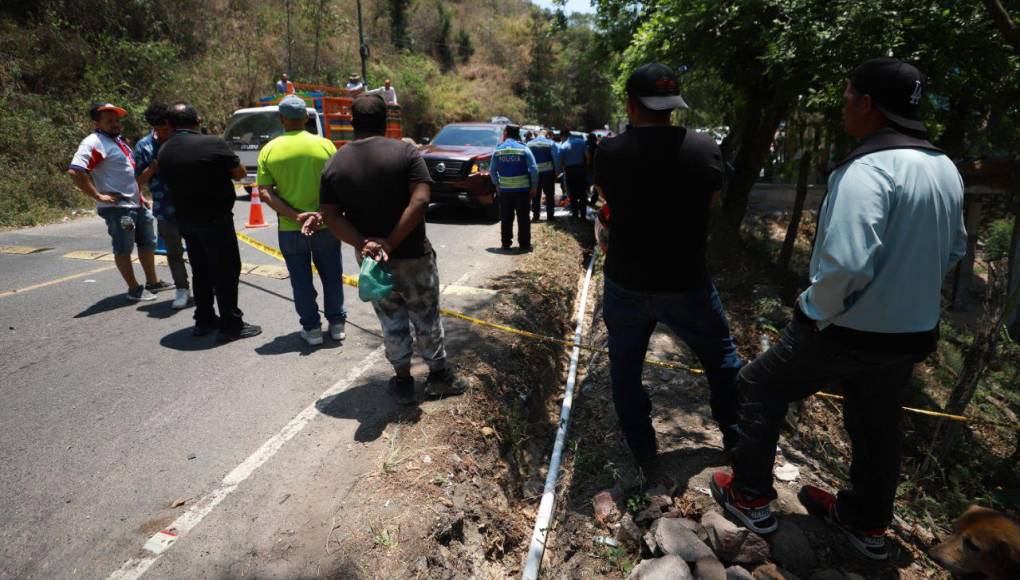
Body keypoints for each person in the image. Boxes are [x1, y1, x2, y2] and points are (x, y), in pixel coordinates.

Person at [711, 59, 967, 561]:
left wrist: (813, 311)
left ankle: (751, 497)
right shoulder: (945, 168)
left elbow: (846, 263)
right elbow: (954, 250)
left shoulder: (867, 169)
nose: (843, 105)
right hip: (911, 333)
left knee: (758, 386)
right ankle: (866, 525)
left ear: (868, 104)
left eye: (848, 96)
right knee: (877, 424)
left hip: (845, 329)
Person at [592, 63, 743, 472]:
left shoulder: (610, 152)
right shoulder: (704, 148)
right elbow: (710, 203)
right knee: (723, 360)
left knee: (625, 368)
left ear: (631, 105)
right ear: (673, 106)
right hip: (686, 282)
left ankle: (643, 453)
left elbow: (609, 201)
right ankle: (737, 436)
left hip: (626, 281)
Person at [317, 94, 469, 405]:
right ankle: (438, 377)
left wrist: (364, 243)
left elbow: (330, 216)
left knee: (391, 320)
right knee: (426, 315)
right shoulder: (406, 153)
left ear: (351, 122)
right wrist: (392, 240)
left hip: (374, 262)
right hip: (413, 254)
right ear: (386, 121)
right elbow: (421, 200)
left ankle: (402, 381)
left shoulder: (335, 163)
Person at [157, 103, 262, 342]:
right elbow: (239, 173)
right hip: (215, 219)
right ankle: (231, 324)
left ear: (170, 125)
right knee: (225, 271)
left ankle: (203, 320)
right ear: (198, 120)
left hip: (186, 220)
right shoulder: (212, 143)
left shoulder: (164, 150)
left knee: (201, 270)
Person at [256, 95, 346, 346]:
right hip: (326, 225)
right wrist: (319, 214)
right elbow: (337, 184)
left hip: (290, 229)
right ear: (306, 118)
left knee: (301, 280)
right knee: (332, 275)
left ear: (281, 119)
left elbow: (265, 192)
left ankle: (312, 329)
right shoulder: (326, 145)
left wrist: (296, 216)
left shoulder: (270, 150)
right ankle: (337, 324)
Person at [68, 103, 171, 302]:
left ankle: (153, 281)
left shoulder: (117, 141)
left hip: (136, 204)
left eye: (116, 120)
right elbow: (76, 170)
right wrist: (98, 196)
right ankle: (134, 288)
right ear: (96, 123)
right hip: (118, 209)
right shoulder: (94, 142)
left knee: (147, 243)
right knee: (124, 247)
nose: (115, 124)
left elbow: (126, 174)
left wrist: (140, 196)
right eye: (109, 121)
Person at [134, 102, 192, 309]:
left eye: (166, 129)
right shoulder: (144, 146)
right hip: (165, 209)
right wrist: (152, 169)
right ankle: (182, 289)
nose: (162, 133)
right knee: (174, 253)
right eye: (157, 129)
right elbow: (138, 181)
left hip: (191, 207)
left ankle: (206, 285)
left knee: (198, 250)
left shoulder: (185, 141)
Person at [490, 124, 539, 252]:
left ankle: (506, 243)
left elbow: (492, 171)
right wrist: (534, 187)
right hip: (522, 190)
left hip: (505, 191)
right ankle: (524, 245)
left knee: (506, 217)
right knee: (523, 217)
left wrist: (497, 184)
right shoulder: (524, 149)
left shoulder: (498, 150)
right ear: (518, 134)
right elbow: (534, 169)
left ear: (506, 133)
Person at [526, 129, 561, 222]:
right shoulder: (551, 143)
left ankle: (536, 216)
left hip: (534, 174)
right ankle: (550, 217)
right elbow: (556, 159)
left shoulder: (529, 144)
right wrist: (557, 172)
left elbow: (526, 159)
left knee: (535, 195)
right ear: (548, 135)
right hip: (548, 173)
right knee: (549, 195)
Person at [558, 128, 588, 219]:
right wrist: (586, 167)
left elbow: (561, 161)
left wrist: (562, 170)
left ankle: (575, 214)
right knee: (583, 192)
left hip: (569, 170)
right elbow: (588, 156)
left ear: (563, 136)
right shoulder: (581, 142)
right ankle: (583, 215)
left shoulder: (563, 146)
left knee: (572, 193)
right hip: (581, 169)